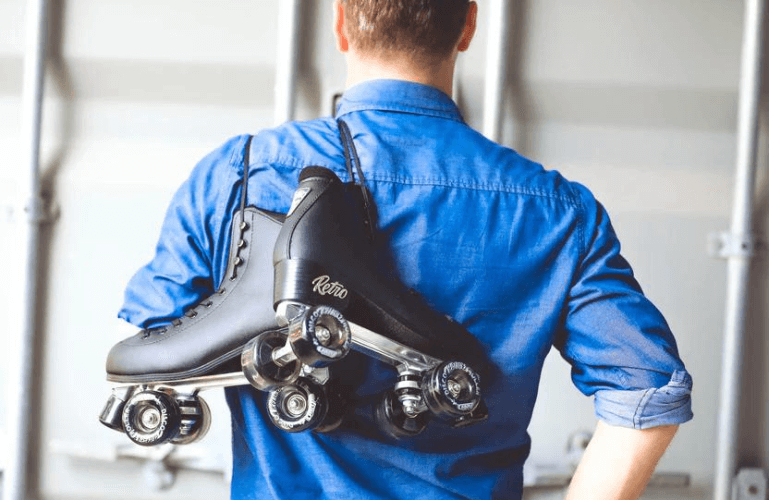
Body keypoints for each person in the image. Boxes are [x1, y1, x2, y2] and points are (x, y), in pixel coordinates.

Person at [117, 1, 693, 498]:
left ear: (341, 22)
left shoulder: (239, 174)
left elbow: (154, 349)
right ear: (467, 25)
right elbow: (649, 388)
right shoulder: (556, 210)